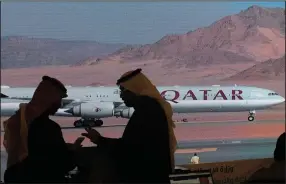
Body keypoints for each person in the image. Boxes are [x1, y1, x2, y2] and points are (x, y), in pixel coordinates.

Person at [82, 68, 177, 183]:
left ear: (134, 90)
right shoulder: (149, 108)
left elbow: (130, 149)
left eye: (123, 90)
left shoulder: (147, 111)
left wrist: (100, 140)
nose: (121, 96)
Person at [4, 76, 81, 183]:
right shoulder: (48, 127)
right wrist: (72, 151)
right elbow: (62, 164)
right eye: (58, 100)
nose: (60, 105)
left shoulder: (18, 121)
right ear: (49, 101)